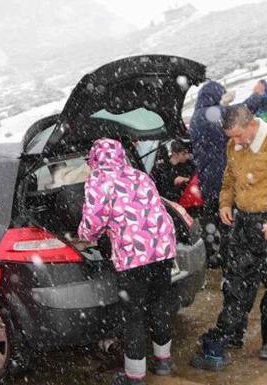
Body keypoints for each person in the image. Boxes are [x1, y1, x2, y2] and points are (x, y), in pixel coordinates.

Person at [191, 105, 267, 371]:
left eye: (237, 135)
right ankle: (232, 332)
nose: (234, 142)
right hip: (244, 221)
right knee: (236, 280)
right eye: (230, 137)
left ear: (251, 125)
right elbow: (229, 177)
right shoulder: (235, 146)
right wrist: (225, 202)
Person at [78, 139, 177, 385]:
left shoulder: (99, 181)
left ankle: (134, 377)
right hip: (163, 249)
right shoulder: (140, 176)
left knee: (132, 315)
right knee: (159, 304)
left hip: (134, 256)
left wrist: (84, 236)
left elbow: (93, 223)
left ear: (95, 159)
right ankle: (163, 362)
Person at [189, 80, 234, 267]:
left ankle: (209, 256)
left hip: (206, 178)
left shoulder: (194, 117)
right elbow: (240, 115)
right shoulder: (215, 113)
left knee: (210, 218)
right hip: (223, 178)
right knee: (227, 220)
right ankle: (227, 257)